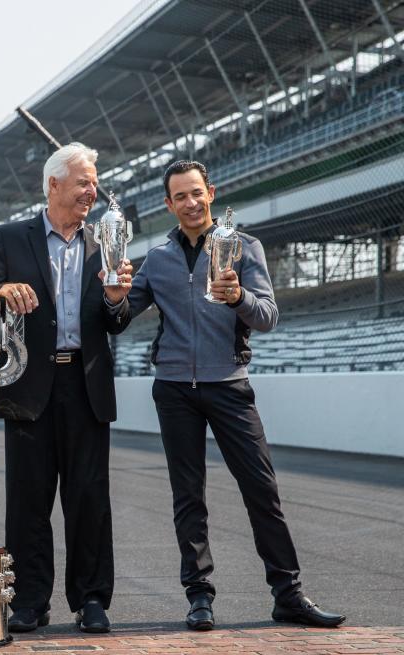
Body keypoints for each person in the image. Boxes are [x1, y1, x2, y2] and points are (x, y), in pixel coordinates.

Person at [127, 159, 345, 630]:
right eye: (179, 196)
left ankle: (288, 594)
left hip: (229, 385)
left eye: (196, 193)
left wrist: (237, 298)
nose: (190, 202)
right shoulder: (158, 260)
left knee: (262, 491)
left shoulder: (244, 247)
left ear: (211, 192)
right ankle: (199, 596)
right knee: (188, 496)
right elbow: (121, 312)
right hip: (173, 390)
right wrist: (111, 291)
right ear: (169, 204)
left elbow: (267, 316)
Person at [0, 143, 132, 634]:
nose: (93, 190)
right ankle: (28, 599)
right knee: (28, 499)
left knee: (89, 498)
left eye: (94, 182)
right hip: (29, 384)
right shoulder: (8, 238)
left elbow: (117, 321)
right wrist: (0, 292)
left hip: (85, 384)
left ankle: (91, 599)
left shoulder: (104, 242)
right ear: (54, 185)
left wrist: (115, 301)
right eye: (85, 181)